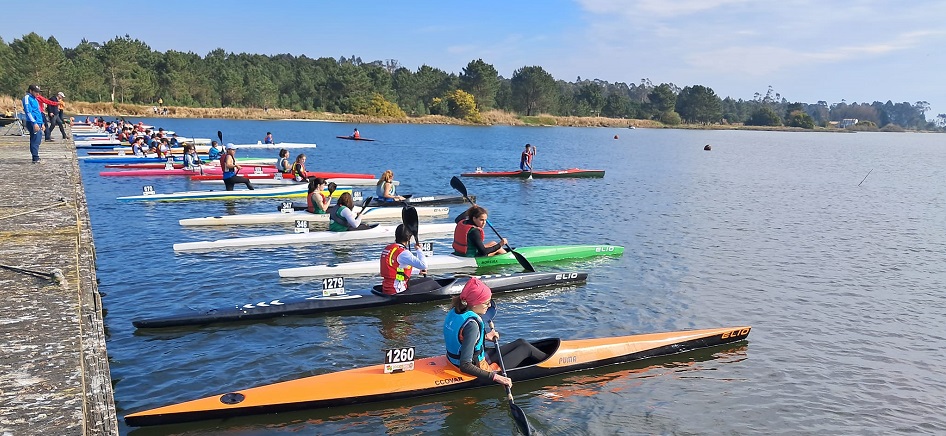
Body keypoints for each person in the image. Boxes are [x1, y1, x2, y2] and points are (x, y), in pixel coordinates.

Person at [379, 224, 429, 295]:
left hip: (387, 288)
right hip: (398, 291)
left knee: (425, 281)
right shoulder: (403, 253)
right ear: (409, 238)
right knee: (429, 282)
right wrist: (419, 250)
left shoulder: (389, 248)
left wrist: (417, 271)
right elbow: (424, 265)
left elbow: (396, 270)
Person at [22, 84, 44, 163]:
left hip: (38, 122)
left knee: (38, 139)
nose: (38, 94)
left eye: (38, 92)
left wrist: (42, 123)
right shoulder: (27, 98)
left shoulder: (35, 99)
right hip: (32, 122)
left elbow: (38, 111)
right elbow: (28, 112)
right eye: (36, 92)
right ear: (31, 91)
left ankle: (35, 156)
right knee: (35, 140)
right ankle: (35, 158)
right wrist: (34, 123)